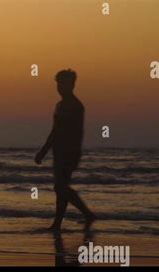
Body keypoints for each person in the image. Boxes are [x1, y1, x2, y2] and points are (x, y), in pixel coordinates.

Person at [35, 69, 96, 231]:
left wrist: (74, 153)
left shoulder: (75, 106)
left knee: (60, 187)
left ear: (72, 85)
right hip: (58, 151)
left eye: (63, 84)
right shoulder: (60, 105)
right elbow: (55, 130)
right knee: (60, 188)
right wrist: (44, 150)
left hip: (69, 152)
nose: (60, 87)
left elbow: (76, 132)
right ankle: (58, 223)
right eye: (58, 84)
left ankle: (86, 214)